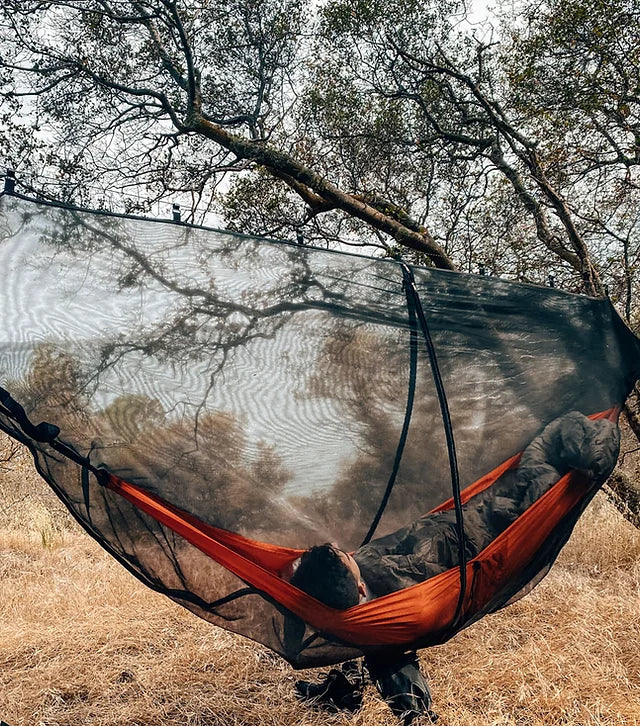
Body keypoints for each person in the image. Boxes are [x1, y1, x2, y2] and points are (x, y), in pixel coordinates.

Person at [289, 411, 620, 724]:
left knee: (376, 641)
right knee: (381, 644)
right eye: (347, 558)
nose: (349, 553)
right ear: (359, 588)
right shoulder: (544, 481)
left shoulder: (364, 591)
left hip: (475, 520)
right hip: (482, 533)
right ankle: (403, 711)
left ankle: (357, 696)